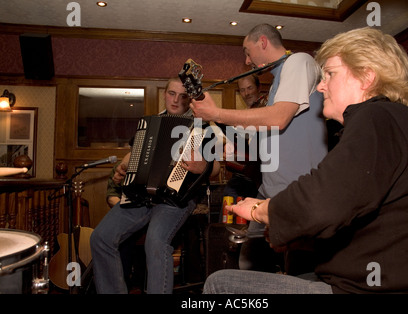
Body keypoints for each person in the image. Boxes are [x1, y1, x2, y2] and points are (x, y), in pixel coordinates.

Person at [203, 27, 408, 294]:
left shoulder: (377, 118)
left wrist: (260, 211)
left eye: (330, 74)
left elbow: (321, 203)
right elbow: (369, 221)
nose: (321, 86)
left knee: (219, 284)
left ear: (366, 77)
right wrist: (300, 241)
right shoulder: (399, 120)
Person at [191, 24, 328, 273]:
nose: (246, 60)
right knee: (251, 261)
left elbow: (279, 118)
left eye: (247, 51)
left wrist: (217, 112)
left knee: (300, 272)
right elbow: (259, 132)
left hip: (297, 190)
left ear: (263, 42)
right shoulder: (278, 83)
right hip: (270, 189)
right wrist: (219, 124)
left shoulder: (299, 61)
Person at [90, 77, 220, 294]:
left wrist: (203, 165)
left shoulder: (201, 127)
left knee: (156, 242)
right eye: (172, 94)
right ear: (164, 94)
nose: (176, 100)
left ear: (189, 99)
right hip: (142, 195)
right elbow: (135, 153)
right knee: (100, 237)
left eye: (183, 96)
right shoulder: (151, 123)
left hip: (176, 199)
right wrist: (124, 165)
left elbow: (215, 167)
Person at [222, 75, 266, 204]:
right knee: (228, 200)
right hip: (242, 176)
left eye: (249, 88)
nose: (246, 93)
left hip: (261, 178)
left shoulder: (267, 111)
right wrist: (229, 151)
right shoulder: (240, 118)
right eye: (242, 90)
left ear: (259, 88)